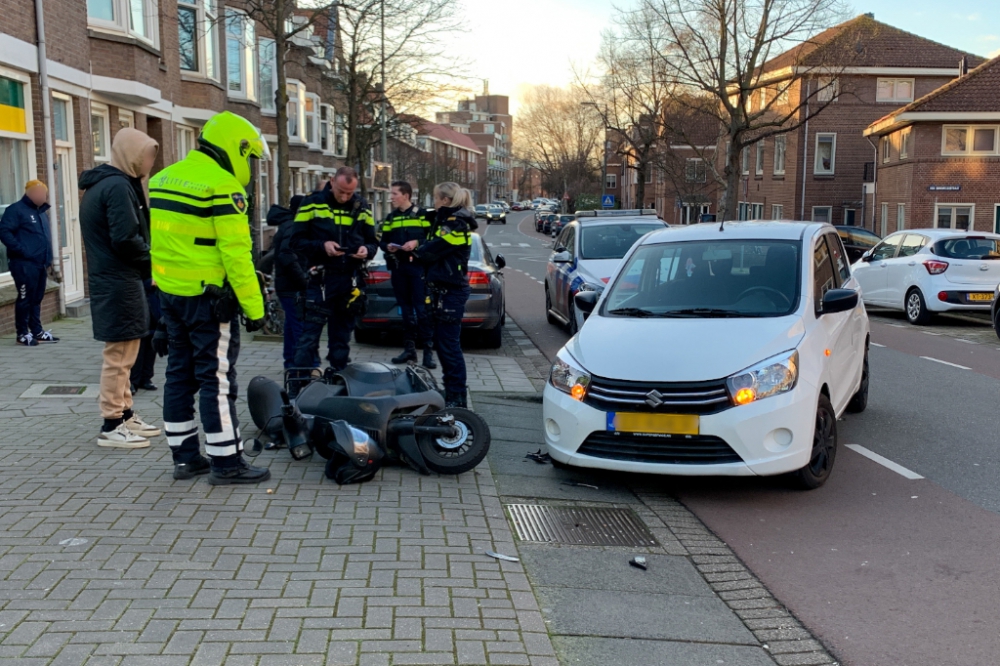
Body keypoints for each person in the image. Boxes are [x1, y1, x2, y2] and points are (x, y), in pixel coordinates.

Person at [149, 111, 270, 484]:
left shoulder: (162, 179)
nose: (248, 165)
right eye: (248, 156)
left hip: (171, 295)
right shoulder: (222, 187)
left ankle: (185, 459)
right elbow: (237, 256)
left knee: (178, 377)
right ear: (235, 147)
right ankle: (226, 463)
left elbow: (163, 245)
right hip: (209, 300)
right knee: (216, 381)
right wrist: (256, 309)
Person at [78, 128, 162, 448]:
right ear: (131, 154)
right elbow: (125, 238)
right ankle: (112, 424)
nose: (150, 162)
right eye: (147, 155)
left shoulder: (113, 183)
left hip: (118, 280)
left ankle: (125, 414)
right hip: (117, 281)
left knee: (127, 353)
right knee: (118, 355)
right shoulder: (115, 186)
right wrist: (151, 264)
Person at [290, 167, 376, 379]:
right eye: (341, 191)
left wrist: (366, 251)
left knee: (341, 339)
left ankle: (337, 383)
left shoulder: (362, 206)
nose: (345, 197)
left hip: (350, 281)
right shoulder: (312, 203)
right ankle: (297, 387)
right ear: (331, 182)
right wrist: (322, 245)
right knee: (309, 338)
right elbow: (295, 241)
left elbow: (373, 241)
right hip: (321, 280)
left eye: (350, 193)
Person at [412, 182, 475, 408]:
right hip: (442, 290)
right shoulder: (443, 221)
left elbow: (432, 250)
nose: (434, 202)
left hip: (452, 291)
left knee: (448, 346)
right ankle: (452, 392)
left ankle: (457, 397)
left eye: (436, 198)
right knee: (442, 344)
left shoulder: (456, 224)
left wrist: (418, 250)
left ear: (445, 200)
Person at [380, 180, 435, 369]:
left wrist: (416, 244)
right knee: (406, 311)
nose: (391, 197)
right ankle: (409, 350)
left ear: (406, 195)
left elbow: (432, 239)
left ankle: (428, 352)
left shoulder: (422, 215)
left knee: (422, 311)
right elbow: (382, 240)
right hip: (399, 268)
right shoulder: (391, 217)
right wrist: (387, 247)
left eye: (394, 194)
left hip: (418, 268)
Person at [262, 195, 319, 371]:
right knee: (300, 328)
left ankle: (291, 364)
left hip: (287, 285)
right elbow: (286, 255)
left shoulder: (289, 225)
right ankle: (306, 368)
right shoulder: (294, 227)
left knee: (290, 326)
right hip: (292, 287)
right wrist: (303, 280)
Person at [0, 180, 59, 346]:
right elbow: (4, 232)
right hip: (23, 264)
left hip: (40, 264)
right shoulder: (16, 210)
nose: (43, 197)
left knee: (37, 298)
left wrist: (47, 258)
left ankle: (37, 331)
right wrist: (22, 250)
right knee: (25, 298)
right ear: (30, 193)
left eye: (45, 195)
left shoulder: (41, 212)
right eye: (40, 194)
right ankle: (22, 333)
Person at [129, 279, 160, 393]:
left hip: (154, 303)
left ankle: (146, 378)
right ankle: (133, 381)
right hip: (139, 304)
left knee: (151, 344)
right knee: (138, 346)